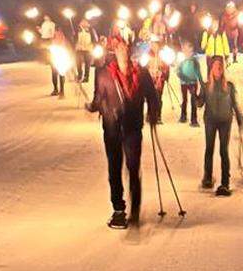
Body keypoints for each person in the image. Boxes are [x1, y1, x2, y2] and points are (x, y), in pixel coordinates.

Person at [86, 37, 160, 229]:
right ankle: (118, 209)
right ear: (114, 52)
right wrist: (92, 106)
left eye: (125, 49)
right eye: (119, 49)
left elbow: (153, 96)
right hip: (112, 129)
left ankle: (135, 209)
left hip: (133, 128)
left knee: (133, 168)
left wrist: (153, 114)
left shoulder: (141, 74)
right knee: (114, 168)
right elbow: (98, 98)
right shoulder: (104, 74)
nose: (123, 52)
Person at [196, 56, 243, 196]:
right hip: (210, 120)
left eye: (220, 66)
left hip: (225, 121)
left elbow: (234, 103)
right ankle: (208, 177)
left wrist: (239, 118)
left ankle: (225, 182)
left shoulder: (229, 86)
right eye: (216, 66)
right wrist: (195, 95)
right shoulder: (206, 86)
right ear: (211, 68)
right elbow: (200, 104)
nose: (218, 69)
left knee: (224, 150)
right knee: (209, 148)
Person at [175, 42, 203, 126]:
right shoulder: (181, 60)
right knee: (184, 99)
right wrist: (183, 77)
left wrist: (201, 82)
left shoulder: (194, 60)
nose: (188, 51)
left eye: (190, 49)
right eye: (186, 49)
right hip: (184, 83)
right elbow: (178, 71)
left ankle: (193, 119)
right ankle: (183, 116)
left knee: (193, 100)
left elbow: (198, 71)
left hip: (193, 82)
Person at [145, 47, 170, 124]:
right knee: (150, 97)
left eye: (156, 44)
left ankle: (158, 115)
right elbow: (144, 66)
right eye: (153, 44)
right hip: (150, 79)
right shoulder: (148, 55)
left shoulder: (163, 56)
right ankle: (150, 115)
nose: (155, 46)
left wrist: (165, 75)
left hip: (159, 80)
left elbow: (167, 68)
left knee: (158, 97)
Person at [49, 27, 71, 99]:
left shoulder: (64, 39)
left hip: (61, 57)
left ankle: (62, 91)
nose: (57, 33)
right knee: (54, 74)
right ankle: (56, 89)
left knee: (61, 74)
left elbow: (68, 48)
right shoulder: (53, 39)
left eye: (59, 31)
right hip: (54, 57)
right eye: (56, 31)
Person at [74, 19, 98, 83]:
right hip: (79, 49)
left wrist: (93, 46)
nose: (84, 23)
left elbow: (95, 39)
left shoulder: (91, 30)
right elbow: (74, 38)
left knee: (87, 64)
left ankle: (86, 77)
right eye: (82, 22)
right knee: (78, 63)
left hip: (88, 49)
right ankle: (79, 75)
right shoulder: (77, 30)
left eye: (85, 22)